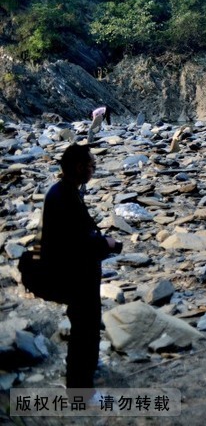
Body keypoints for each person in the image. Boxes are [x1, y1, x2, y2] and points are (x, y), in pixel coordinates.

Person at [40, 144, 122, 390]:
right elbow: (77, 242)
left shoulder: (65, 191)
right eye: (91, 165)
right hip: (76, 274)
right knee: (85, 329)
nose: (93, 170)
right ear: (79, 167)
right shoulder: (64, 196)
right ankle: (80, 387)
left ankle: (83, 375)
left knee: (84, 325)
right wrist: (107, 243)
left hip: (74, 272)